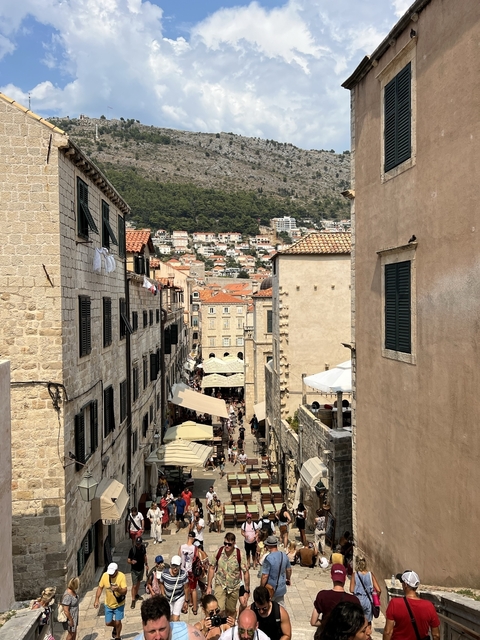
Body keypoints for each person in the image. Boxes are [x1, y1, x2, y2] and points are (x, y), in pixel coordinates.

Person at [383, 571, 440, 640]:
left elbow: (388, 632)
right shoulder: (429, 606)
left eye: (402, 582)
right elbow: (436, 635)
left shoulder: (394, 603)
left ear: (406, 585)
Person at [207, 532, 250, 618]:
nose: (227, 546)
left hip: (234, 587)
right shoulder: (218, 552)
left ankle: (230, 627)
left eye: (229, 544)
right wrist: (209, 586)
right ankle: (221, 627)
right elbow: (211, 568)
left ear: (234, 543)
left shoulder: (239, 554)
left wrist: (247, 589)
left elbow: (245, 572)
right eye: (225, 543)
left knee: (231, 611)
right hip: (220, 584)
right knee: (219, 609)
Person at [310, 564, 361, 630]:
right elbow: (358, 625)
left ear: (331, 576)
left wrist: (327, 623)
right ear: (345, 578)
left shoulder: (322, 595)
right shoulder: (354, 600)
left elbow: (313, 622)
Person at [133, 594, 203, 640]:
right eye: (152, 631)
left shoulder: (190, 636)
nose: (158, 637)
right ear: (143, 625)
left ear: (169, 621)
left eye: (162, 629)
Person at [94, 562, 128, 640]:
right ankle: (116, 627)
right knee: (108, 623)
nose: (111, 575)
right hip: (108, 604)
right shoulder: (105, 575)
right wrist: (96, 599)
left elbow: (125, 591)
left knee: (118, 622)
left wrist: (118, 589)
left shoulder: (121, 576)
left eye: (112, 574)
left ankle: (118, 636)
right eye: (110, 574)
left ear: (116, 571)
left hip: (119, 604)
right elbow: (100, 588)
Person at [260, 536, 291, 608]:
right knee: (281, 607)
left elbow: (265, 576)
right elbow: (289, 569)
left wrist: (261, 587)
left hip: (270, 589)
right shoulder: (284, 555)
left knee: (269, 607)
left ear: (268, 546)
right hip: (281, 587)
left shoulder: (268, 558)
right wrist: (288, 579)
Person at [159, 555, 190, 621]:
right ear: (170, 565)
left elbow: (186, 588)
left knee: (175, 618)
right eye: (173, 566)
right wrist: (163, 594)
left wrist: (186, 601)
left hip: (179, 597)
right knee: (169, 618)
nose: (175, 569)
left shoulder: (183, 575)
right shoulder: (164, 573)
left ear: (180, 565)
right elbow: (161, 583)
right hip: (168, 598)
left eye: (177, 566)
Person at [350, 557, 381, 623]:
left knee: (357, 621)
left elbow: (351, 590)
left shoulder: (354, 575)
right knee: (368, 621)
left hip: (358, 600)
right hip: (368, 601)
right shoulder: (370, 574)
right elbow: (379, 590)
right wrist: (376, 598)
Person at [180, 531, 200, 615]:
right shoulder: (195, 548)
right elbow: (198, 559)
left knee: (185, 589)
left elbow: (179, 559)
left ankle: (185, 606)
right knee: (193, 589)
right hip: (191, 572)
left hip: (183, 571)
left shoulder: (181, 547)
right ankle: (195, 609)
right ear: (194, 538)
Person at [128, 537, 149, 608]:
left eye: (139, 544)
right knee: (134, 585)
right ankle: (133, 600)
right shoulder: (132, 550)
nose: (138, 545)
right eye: (137, 544)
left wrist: (146, 564)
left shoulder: (143, 548)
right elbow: (128, 560)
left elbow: (145, 556)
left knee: (139, 582)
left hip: (141, 568)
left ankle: (136, 594)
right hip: (134, 570)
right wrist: (131, 562)